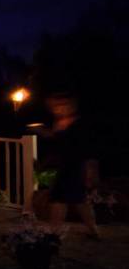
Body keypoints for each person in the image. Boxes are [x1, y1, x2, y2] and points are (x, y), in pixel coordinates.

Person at [38, 92, 99, 238]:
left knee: (61, 198)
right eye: (55, 106)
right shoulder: (59, 123)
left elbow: (84, 147)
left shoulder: (77, 124)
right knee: (78, 200)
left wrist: (90, 169)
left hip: (75, 165)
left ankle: (54, 232)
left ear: (70, 106)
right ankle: (93, 231)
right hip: (65, 165)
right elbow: (59, 144)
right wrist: (46, 133)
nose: (57, 109)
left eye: (61, 105)